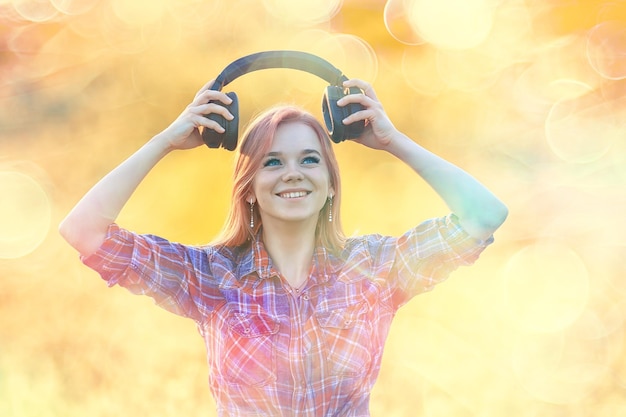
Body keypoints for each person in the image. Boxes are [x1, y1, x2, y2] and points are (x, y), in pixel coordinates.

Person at [59, 77, 508, 416]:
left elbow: (483, 216)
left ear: (331, 184)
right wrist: (165, 141)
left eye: (309, 160)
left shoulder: (375, 267)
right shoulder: (212, 276)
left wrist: (393, 142)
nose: (292, 173)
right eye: (272, 162)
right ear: (249, 188)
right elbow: (84, 231)